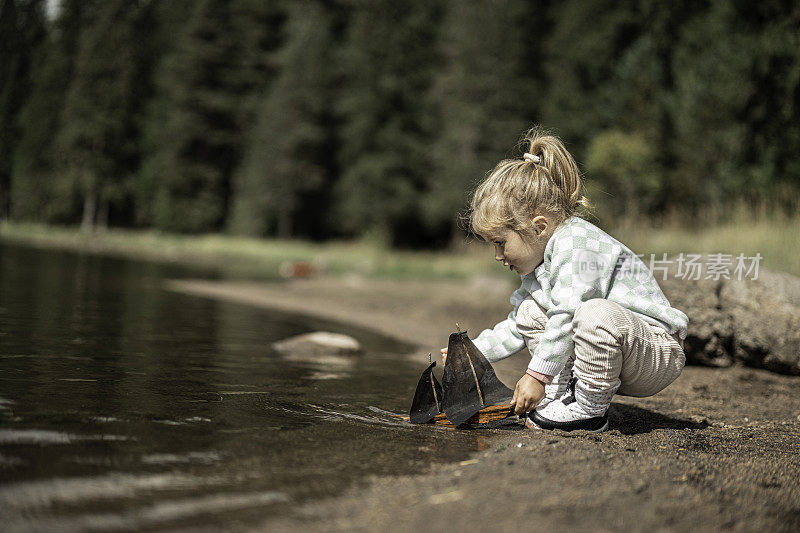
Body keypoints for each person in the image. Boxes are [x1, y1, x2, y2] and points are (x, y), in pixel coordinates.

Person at [441, 127, 688, 432]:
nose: (497, 256)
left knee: (592, 312)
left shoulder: (577, 242)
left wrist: (535, 376)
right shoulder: (539, 266)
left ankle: (589, 408)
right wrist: (474, 352)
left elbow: (569, 312)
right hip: (616, 353)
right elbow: (519, 325)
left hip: (653, 352)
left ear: (539, 227)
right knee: (530, 311)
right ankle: (559, 395)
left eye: (500, 242)